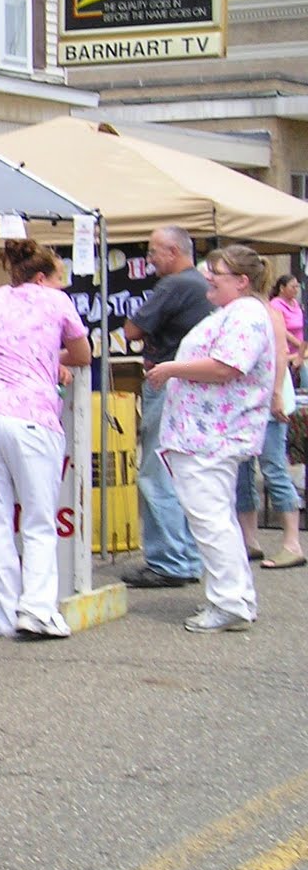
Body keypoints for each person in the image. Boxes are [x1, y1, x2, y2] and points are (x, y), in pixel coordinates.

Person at [0, 242, 91, 640]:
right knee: (37, 520)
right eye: (57, 277)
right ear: (41, 278)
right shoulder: (56, 302)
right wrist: (54, 362)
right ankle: (37, 609)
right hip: (30, 415)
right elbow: (82, 353)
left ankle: (2, 615)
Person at [145, 245, 275, 633]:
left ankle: (229, 602)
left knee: (211, 520)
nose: (208, 281)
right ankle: (234, 598)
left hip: (211, 436)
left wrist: (171, 368)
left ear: (241, 280)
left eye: (215, 274)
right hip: (205, 435)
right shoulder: (238, 313)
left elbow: (226, 367)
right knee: (214, 520)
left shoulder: (247, 315)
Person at [122, 227, 213, 588]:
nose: (149, 259)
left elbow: (132, 329)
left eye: (154, 251)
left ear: (173, 251)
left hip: (168, 380)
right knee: (181, 472)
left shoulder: (173, 286)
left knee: (155, 471)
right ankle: (186, 556)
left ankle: (168, 559)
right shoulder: (199, 283)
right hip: (193, 387)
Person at [237, 292, 301, 569]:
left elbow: (280, 355)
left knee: (273, 468)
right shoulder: (238, 310)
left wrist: (276, 395)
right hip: (244, 402)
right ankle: (249, 540)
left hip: (268, 401)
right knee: (242, 471)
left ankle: (292, 543)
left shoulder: (268, 312)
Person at [267, 273, 307, 389]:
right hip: (288, 350)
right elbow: (280, 329)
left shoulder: (296, 303)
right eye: (292, 287)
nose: (296, 290)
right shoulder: (275, 304)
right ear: (282, 288)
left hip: (301, 349)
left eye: (297, 287)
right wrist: (299, 344)